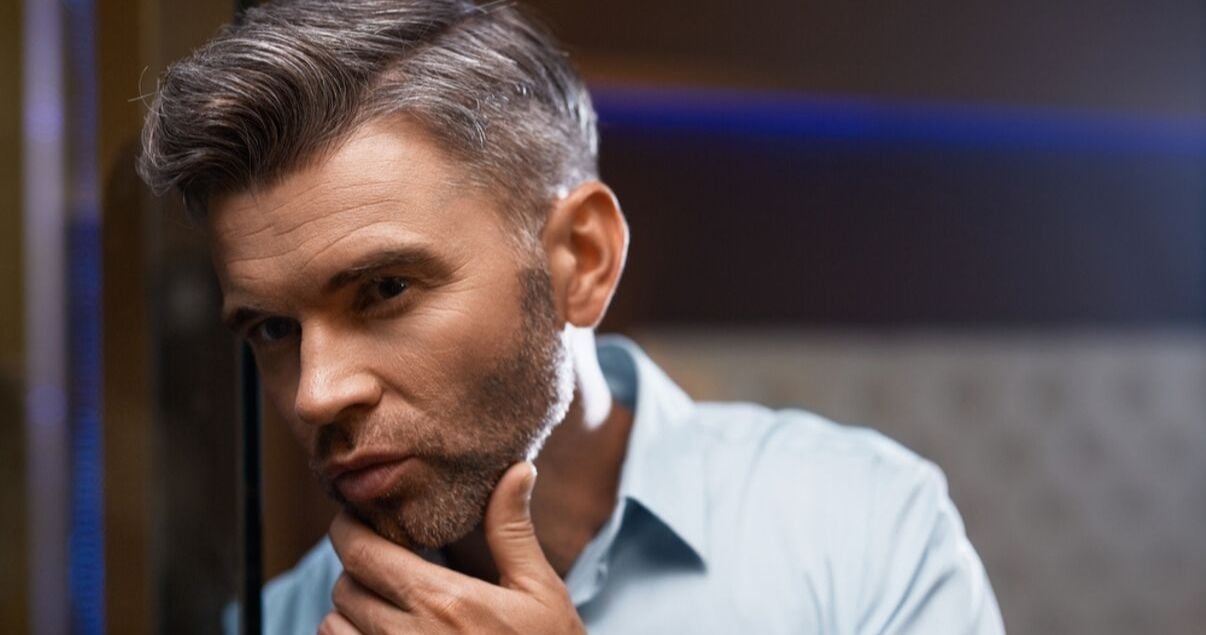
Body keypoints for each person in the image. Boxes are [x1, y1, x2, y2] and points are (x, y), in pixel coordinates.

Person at [138, 0, 1005, 632]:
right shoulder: (281, 621)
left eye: (385, 289)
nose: (316, 395)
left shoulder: (857, 528)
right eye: (274, 331)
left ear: (581, 260)